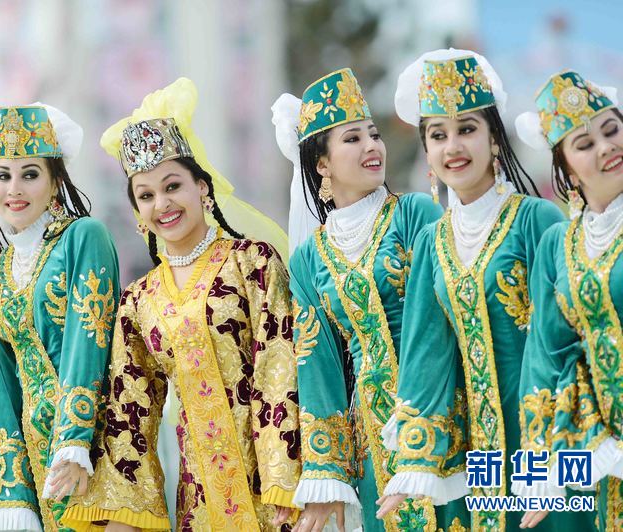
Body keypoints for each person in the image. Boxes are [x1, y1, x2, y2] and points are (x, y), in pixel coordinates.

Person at [63, 77, 300, 531]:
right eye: (146, 195)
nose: (162, 204)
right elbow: (129, 415)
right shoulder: (138, 302)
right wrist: (122, 518)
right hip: (199, 501)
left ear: (202, 188)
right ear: (137, 212)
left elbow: (280, 370)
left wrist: (285, 482)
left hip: (274, 494)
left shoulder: (252, 263)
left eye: (173, 186)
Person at [376, 49, 593, 531]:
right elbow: (425, 351)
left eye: (467, 129)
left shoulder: (537, 220)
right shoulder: (432, 241)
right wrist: (413, 461)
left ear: (494, 138)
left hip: (548, 434)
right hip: (480, 449)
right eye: (438, 135)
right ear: (427, 152)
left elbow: (569, 336)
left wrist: (560, 453)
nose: (453, 146)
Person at [278, 67, 468, 532]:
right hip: (373, 442)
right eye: (353, 138)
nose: (372, 146)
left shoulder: (414, 214)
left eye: (374, 134)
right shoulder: (308, 260)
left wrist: (423, 420)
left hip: (445, 419)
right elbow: (319, 369)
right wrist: (328, 476)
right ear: (322, 164)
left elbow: (443, 321)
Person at [0, 104, 120, 531]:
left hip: (96, 446)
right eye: (3, 176)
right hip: (36, 464)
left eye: (30, 174)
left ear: (56, 182)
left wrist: (73, 439)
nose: (14, 189)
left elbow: (88, 340)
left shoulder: (82, 237)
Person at [515, 71, 623, 529]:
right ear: (568, 171)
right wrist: (541, 470)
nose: (606, 147)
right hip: (605, 451)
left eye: (612, 130)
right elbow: (546, 355)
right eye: (584, 143)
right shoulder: (559, 245)